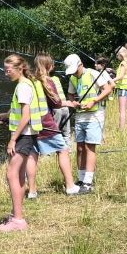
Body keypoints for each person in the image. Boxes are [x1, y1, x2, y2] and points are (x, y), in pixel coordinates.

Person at [0, 54, 43, 232]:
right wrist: (6, 116)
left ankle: (18, 220)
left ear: (20, 68)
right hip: (27, 135)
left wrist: (13, 139)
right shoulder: (26, 85)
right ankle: (17, 214)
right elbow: (20, 112)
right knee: (19, 175)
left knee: (12, 174)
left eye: (8, 70)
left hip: (23, 136)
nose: (6, 73)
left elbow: (26, 116)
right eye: (5, 70)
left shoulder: (23, 87)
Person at [69, 55, 117, 192]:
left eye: (74, 70)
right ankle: (80, 178)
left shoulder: (93, 73)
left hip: (95, 115)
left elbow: (108, 89)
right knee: (79, 147)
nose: (73, 73)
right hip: (80, 116)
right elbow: (70, 95)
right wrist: (73, 103)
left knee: (90, 147)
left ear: (80, 64)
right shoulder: (73, 78)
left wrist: (94, 101)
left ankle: (88, 183)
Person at [40, 54, 83, 195]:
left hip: (57, 109)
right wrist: (71, 104)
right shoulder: (56, 78)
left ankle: (50, 154)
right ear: (50, 66)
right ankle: (66, 149)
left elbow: (55, 102)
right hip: (65, 108)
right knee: (65, 133)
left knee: (57, 134)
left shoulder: (44, 81)